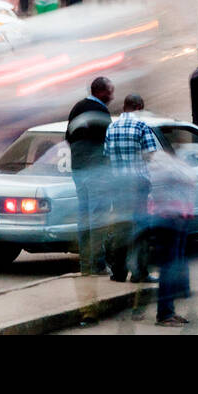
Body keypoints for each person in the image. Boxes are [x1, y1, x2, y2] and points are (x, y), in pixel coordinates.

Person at [102, 94, 159, 284]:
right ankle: (139, 273)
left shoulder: (112, 126)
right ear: (138, 106)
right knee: (141, 229)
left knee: (121, 228)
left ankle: (118, 273)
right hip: (138, 184)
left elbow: (107, 154)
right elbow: (150, 154)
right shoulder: (142, 126)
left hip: (118, 185)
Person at [66, 77, 115, 276]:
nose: (112, 95)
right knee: (98, 218)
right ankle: (98, 264)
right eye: (110, 91)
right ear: (101, 92)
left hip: (78, 169)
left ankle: (85, 264)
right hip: (96, 171)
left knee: (84, 217)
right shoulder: (101, 111)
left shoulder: (77, 107)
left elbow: (68, 137)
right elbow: (108, 141)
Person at [146, 147, 197, 326]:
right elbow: (189, 179)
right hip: (168, 222)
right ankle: (164, 314)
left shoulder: (166, 168)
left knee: (172, 267)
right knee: (168, 268)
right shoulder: (164, 170)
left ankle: (169, 311)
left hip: (175, 221)